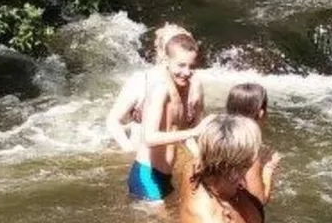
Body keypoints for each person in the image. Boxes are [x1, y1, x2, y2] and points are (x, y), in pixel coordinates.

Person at [117, 27, 204, 202]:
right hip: (146, 175)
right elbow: (149, 138)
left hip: (165, 177)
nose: (186, 72)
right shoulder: (160, 89)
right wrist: (193, 132)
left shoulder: (185, 86)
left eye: (191, 66)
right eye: (181, 65)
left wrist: (201, 158)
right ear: (167, 60)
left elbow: (181, 132)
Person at [103, 22, 191, 152]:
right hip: (142, 156)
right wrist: (129, 149)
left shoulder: (190, 82)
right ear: (162, 52)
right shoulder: (141, 80)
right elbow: (113, 120)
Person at [225, 81, 280, 202]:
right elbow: (259, 201)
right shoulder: (248, 148)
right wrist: (269, 168)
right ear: (261, 113)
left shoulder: (220, 135)